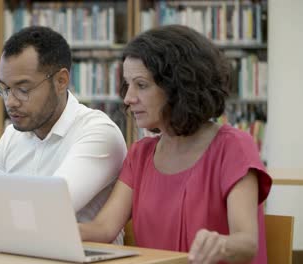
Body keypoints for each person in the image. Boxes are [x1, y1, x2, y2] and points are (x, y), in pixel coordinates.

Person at [78, 25, 272, 264]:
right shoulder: (140, 154)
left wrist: (221, 244)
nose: (128, 98)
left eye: (141, 85)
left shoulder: (234, 147)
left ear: (178, 87)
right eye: (127, 85)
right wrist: (46, 233)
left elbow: (247, 243)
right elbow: (103, 228)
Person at [0, 26, 127, 243]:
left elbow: (50, 209)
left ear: (61, 81)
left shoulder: (98, 133)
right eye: (4, 89)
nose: (10, 102)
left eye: (23, 89)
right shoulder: (11, 136)